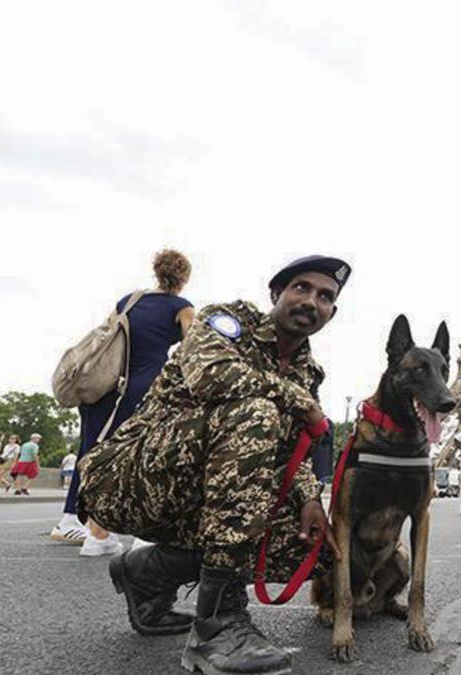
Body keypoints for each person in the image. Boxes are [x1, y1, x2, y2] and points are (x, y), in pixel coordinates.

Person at [77, 255, 350, 675]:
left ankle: (147, 574)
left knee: (309, 548)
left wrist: (310, 499)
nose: (312, 301)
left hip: (204, 493)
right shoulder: (226, 321)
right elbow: (212, 376)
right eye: (301, 288)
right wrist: (302, 404)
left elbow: (290, 452)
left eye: (325, 296)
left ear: (332, 312)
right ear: (276, 293)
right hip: (129, 478)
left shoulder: (307, 372)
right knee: (255, 415)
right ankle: (217, 627)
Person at [52, 249, 196, 555]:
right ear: (183, 278)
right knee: (145, 457)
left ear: (157, 272)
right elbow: (195, 348)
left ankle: (96, 535)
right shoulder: (182, 307)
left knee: (95, 456)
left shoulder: (129, 300)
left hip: (106, 386)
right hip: (147, 387)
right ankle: (144, 536)